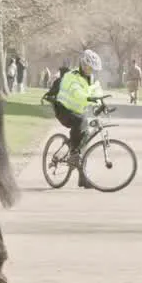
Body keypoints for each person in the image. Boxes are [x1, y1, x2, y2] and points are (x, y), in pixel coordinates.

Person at [53, 50, 104, 189]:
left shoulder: (92, 79)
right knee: (81, 122)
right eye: (88, 67)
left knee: (85, 141)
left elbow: (97, 92)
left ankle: (82, 178)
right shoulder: (71, 76)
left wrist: (100, 103)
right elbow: (77, 93)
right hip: (63, 110)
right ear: (82, 64)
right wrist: (89, 99)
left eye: (92, 68)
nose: (90, 70)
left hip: (76, 111)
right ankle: (74, 153)